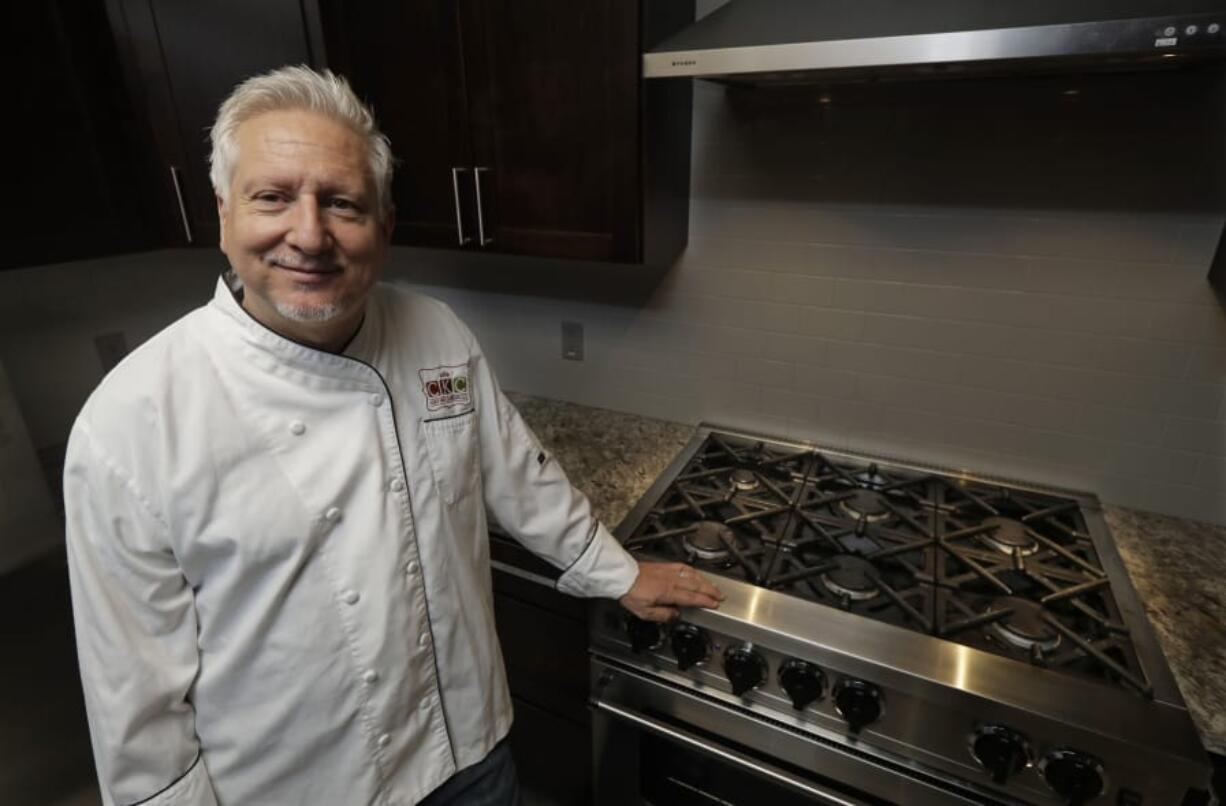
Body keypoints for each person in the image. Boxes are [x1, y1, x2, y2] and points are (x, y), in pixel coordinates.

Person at [63, 65, 722, 806]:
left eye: (342, 203)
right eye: (273, 197)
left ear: (386, 223)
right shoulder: (130, 422)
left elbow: (519, 476)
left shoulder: (435, 332)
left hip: (470, 749)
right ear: (223, 212)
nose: (308, 234)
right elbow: (135, 696)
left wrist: (619, 573)